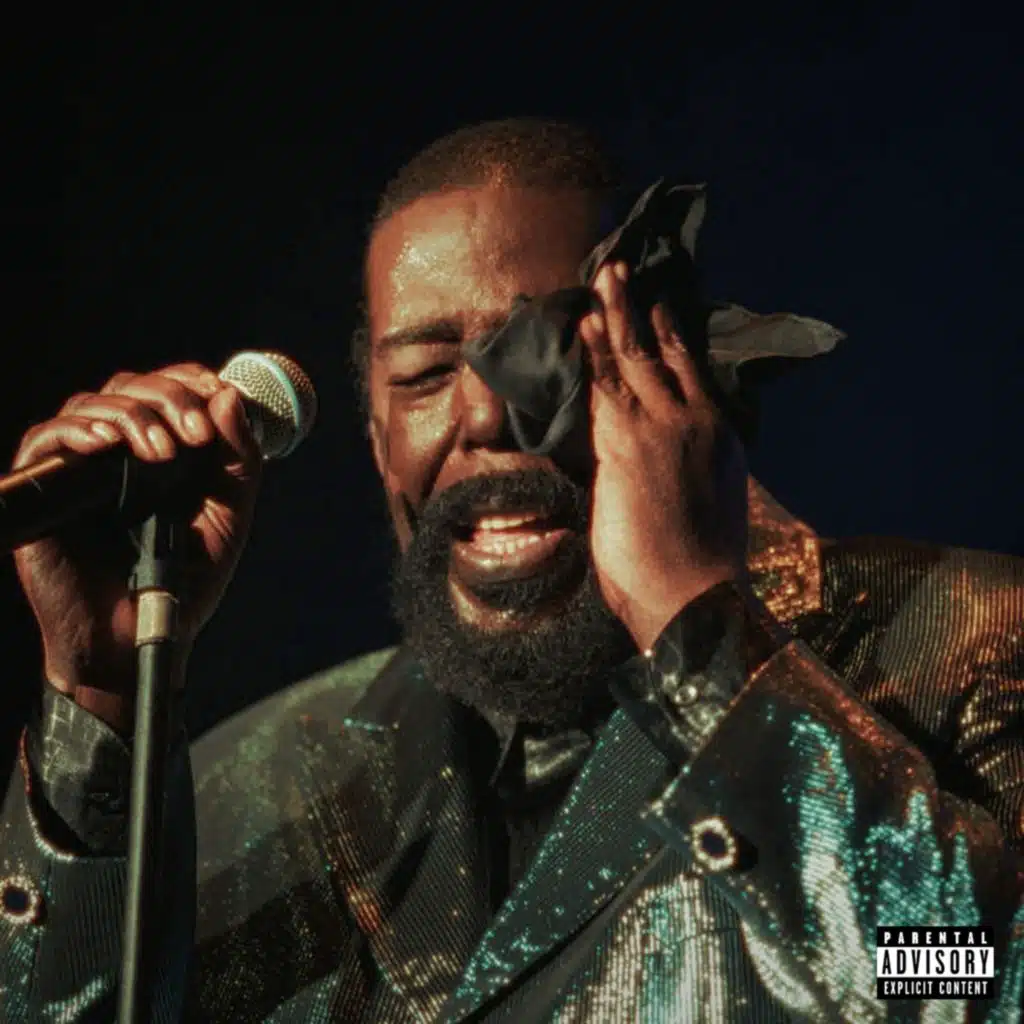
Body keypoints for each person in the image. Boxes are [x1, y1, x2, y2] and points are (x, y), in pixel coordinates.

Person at [1, 118, 1021, 1022]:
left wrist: (701, 633)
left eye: (543, 353)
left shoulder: (965, 640)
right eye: (425, 374)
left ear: (672, 366)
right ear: (376, 437)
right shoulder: (255, 782)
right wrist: (98, 704)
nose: (486, 416)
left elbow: (976, 975)